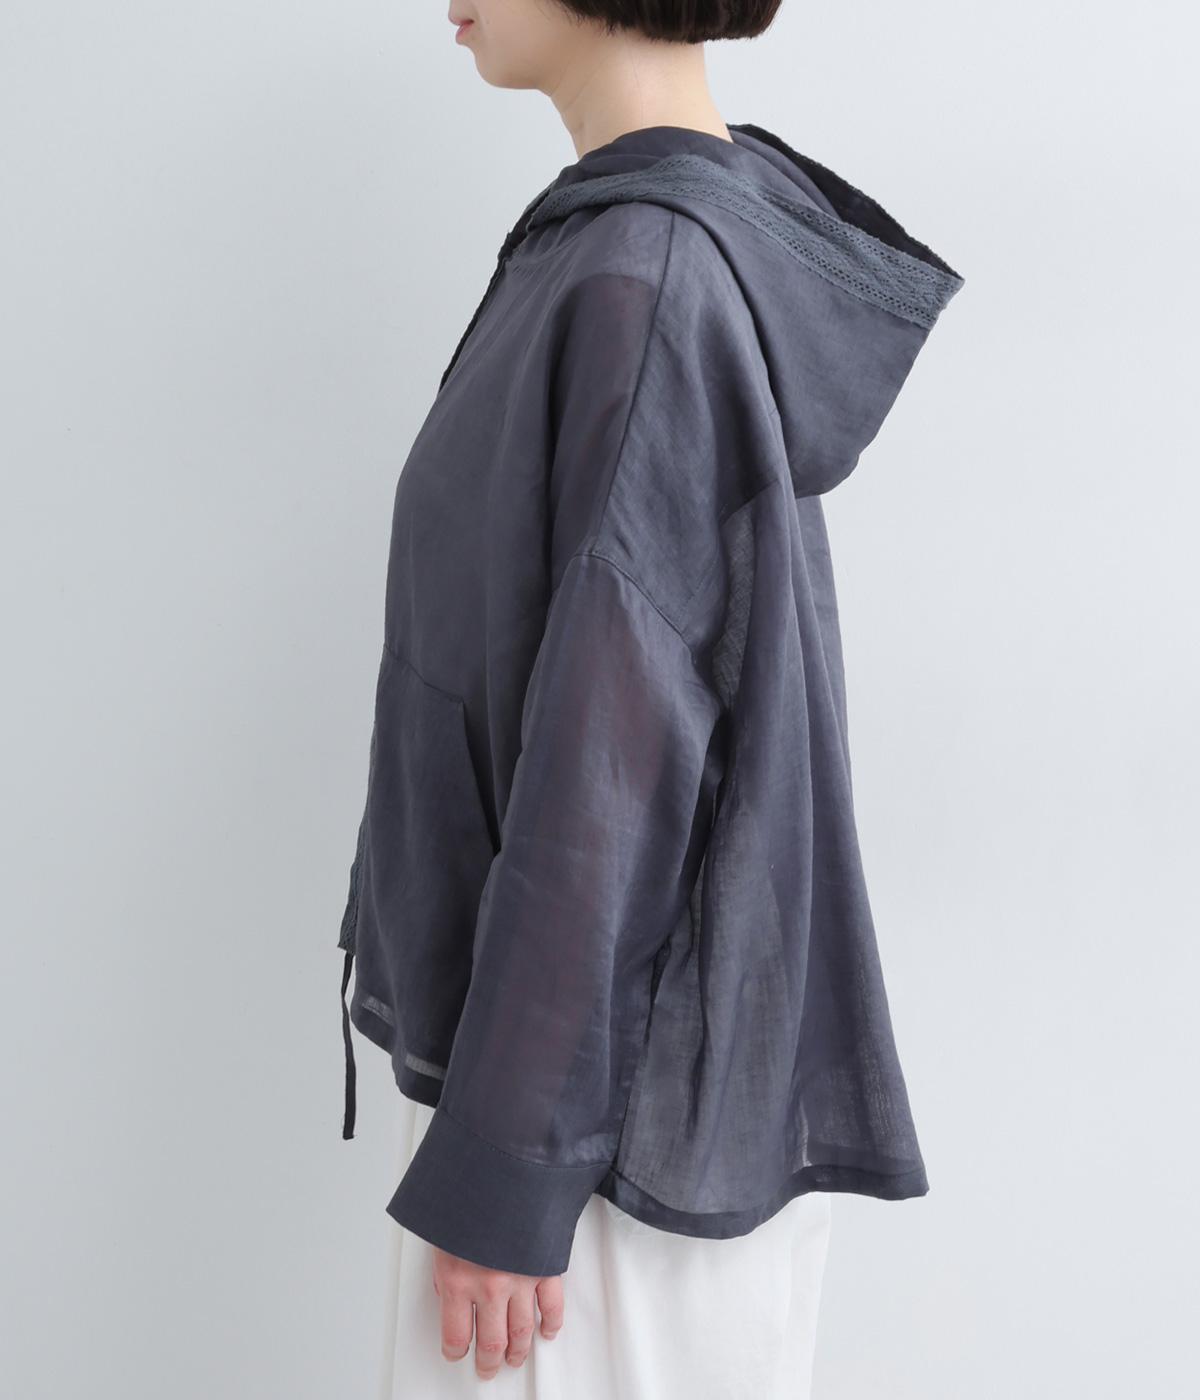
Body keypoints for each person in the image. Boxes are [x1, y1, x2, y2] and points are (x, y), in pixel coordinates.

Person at [335, 1, 965, 1394]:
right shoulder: (613, 242)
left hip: (597, 1156)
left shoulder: (650, 274)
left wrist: (509, 1170)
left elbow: (611, 763)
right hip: (560, 1089)